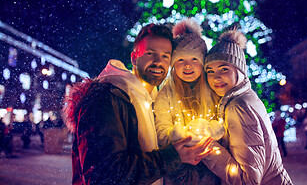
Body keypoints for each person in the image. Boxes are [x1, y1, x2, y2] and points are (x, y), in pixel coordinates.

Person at [63, 23, 212, 185]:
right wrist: (171, 157)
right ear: (134, 58)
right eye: (150, 53)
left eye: (165, 56)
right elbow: (104, 175)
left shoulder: (155, 101)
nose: (158, 62)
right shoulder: (110, 97)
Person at [202, 30, 293, 184]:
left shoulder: (238, 106)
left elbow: (248, 180)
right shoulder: (246, 97)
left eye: (224, 69)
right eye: (210, 71)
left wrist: (207, 148)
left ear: (239, 70)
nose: (216, 77)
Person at [154, 19, 220, 184]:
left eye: (194, 60)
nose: (188, 66)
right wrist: (181, 135)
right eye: (181, 60)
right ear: (174, 65)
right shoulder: (166, 95)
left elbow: (224, 122)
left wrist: (213, 130)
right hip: (178, 173)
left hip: (211, 171)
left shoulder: (213, 91)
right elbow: (161, 133)